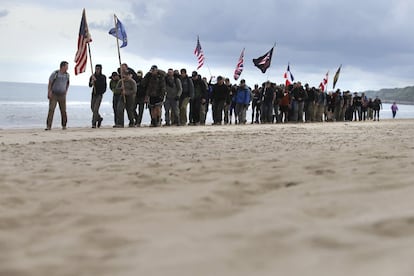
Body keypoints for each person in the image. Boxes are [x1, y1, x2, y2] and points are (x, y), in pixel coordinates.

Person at [46, 61, 70, 130]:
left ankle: (64, 125)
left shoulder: (67, 75)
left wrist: (66, 91)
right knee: (51, 109)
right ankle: (48, 126)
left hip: (62, 95)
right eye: (66, 66)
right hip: (54, 94)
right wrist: (49, 92)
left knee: (63, 111)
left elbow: (68, 83)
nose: (67, 68)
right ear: (62, 66)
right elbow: (50, 83)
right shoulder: (55, 73)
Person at [89, 64, 107, 128]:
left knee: (96, 109)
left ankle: (93, 123)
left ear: (100, 69)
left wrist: (96, 81)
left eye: (98, 69)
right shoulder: (93, 76)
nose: (97, 70)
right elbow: (90, 85)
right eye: (96, 69)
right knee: (92, 108)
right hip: (94, 94)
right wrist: (92, 82)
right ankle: (99, 118)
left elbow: (102, 85)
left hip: (99, 94)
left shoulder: (103, 77)